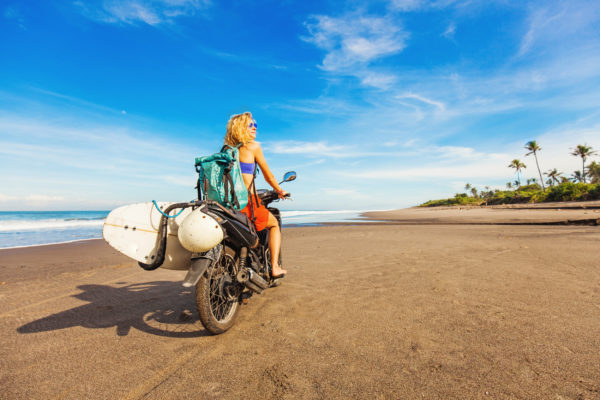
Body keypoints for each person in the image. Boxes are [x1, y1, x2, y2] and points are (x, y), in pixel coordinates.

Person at [224, 112, 288, 278]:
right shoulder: (253, 147)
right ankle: (274, 267)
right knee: (273, 225)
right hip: (248, 202)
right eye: (250, 125)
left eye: (255, 125)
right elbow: (268, 175)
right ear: (240, 128)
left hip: (229, 204)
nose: (254, 129)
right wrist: (280, 191)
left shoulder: (226, 151)